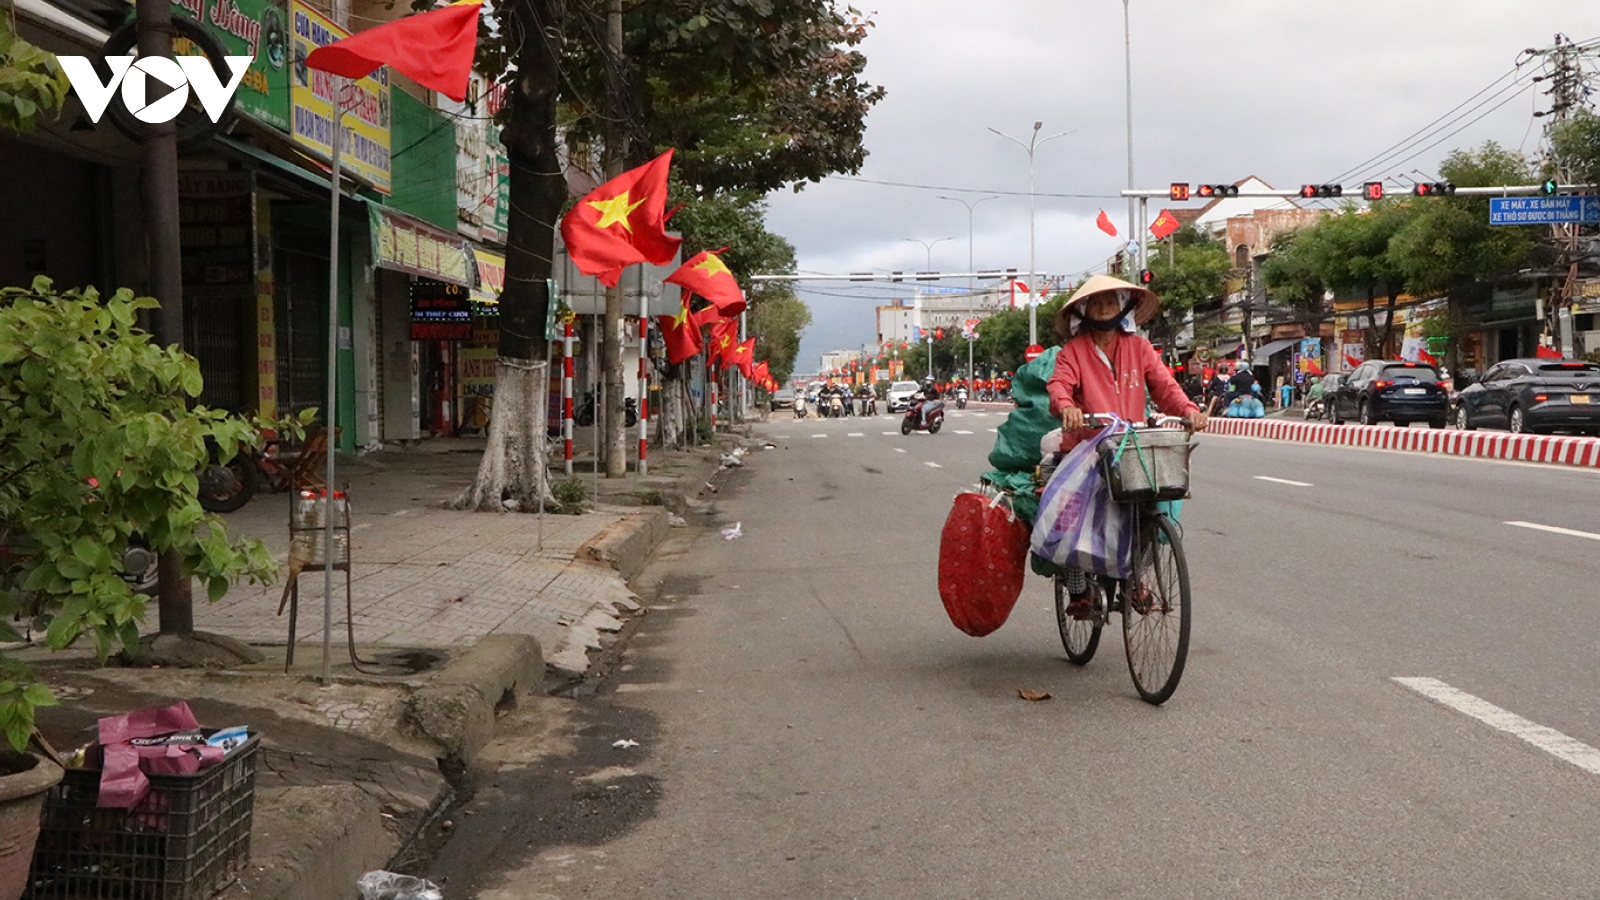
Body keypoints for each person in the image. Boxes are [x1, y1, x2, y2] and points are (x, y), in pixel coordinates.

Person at [1045, 274, 1208, 617]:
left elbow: (1164, 386)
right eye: (1096, 303)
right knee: (1071, 516)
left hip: (1131, 445)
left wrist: (1188, 410)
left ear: (1123, 306)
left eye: (1111, 302)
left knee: (1151, 508)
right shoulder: (1072, 352)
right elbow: (1059, 385)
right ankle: (1078, 590)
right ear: (1084, 310)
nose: (1104, 308)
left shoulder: (1140, 347)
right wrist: (1067, 407)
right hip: (1087, 446)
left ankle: (1135, 576)